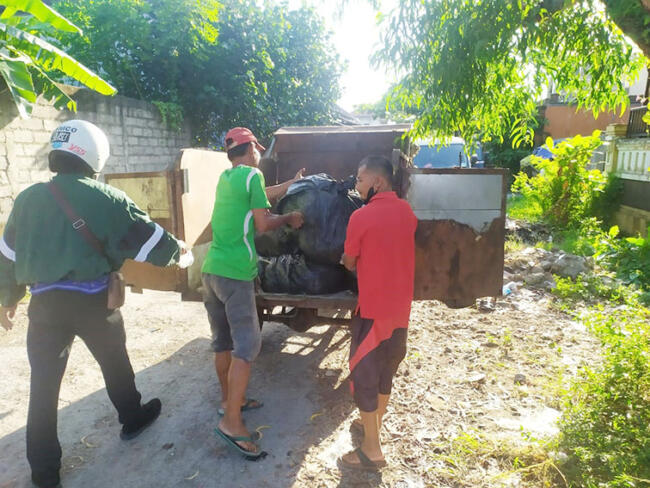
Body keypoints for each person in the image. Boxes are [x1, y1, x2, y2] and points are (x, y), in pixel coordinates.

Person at [0, 120, 188, 488]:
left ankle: (44, 472)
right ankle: (132, 418)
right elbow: (154, 242)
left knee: (42, 389)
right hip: (94, 306)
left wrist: (7, 300)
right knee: (115, 363)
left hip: (44, 308)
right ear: (94, 155)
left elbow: (7, 255)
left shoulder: (26, 199)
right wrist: (182, 257)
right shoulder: (106, 197)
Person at [201, 127, 304, 459]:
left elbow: (257, 196)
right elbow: (262, 224)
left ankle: (229, 401)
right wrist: (288, 216)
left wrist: (288, 186)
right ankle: (232, 423)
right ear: (251, 150)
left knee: (223, 342)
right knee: (247, 346)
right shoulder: (254, 175)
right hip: (235, 274)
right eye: (257, 149)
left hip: (211, 270)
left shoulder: (228, 178)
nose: (260, 154)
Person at [339, 155, 418, 470]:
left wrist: (347, 258)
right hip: (400, 313)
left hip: (372, 313)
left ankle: (372, 450)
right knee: (386, 373)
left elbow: (349, 260)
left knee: (364, 379)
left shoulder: (361, 217)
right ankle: (372, 426)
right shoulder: (407, 213)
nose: (356, 185)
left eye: (360, 179)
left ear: (378, 182)